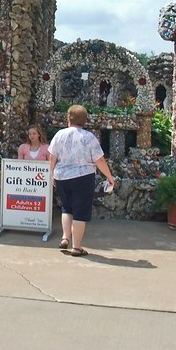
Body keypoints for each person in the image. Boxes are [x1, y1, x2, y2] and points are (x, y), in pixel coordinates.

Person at [48, 105, 115, 256]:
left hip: (61, 177)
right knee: (80, 212)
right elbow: (100, 161)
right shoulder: (88, 137)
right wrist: (109, 177)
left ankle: (65, 237)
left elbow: (52, 157)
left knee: (67, 208)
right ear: (85, 120)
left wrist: (52, 174)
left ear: (69, 118)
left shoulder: (59, 135)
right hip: (83, 177)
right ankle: (76, 247)